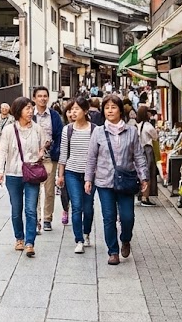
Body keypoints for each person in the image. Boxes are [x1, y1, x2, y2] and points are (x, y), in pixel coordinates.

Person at [85, 94, 149, 265]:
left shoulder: (132, 131)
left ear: (120, 110)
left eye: (113, 107)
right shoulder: (98, 132)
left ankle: (126, 238)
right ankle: (113, 251)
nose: (110, 110)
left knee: (128, 217)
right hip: (104, 181)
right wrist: (88, 179)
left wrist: (144, 176)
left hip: (126, 180)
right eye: (106, 108)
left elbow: (139, 156)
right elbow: (91, 158)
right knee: (109, 217)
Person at [0, 96, 47, 258]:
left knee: (31, 209)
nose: (31, 111)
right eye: (27, 108)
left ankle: (30, 242)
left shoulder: (37, 129)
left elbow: (43, 145)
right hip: (13, 174)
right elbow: (3, 151)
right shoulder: (9, 130)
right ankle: (19, 238)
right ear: (19, 111)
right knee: (17, 209)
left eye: (32, 108)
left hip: (31, 174)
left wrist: (41, 153)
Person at [57, 96, 97, 254]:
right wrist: (60, 175)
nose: (73, 112)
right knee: (76, 206)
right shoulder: (68, 129)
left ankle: (86, 233)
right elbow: (63, 154)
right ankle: (78, 239)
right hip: (72, 172)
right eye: (71, 109)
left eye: (76, 109)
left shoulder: (94, 129)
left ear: (85, 110)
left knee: (88, 208)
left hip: (90, 174)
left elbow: (97, 154)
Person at [32, 86, 65, 232]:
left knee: (49, 189)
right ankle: (36, 217)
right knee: (34, 189)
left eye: (45, 96)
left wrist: (55, 151)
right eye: (39, 96)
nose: (42, 98)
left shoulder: (54, 115)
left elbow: (59, 135)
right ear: (34, 98)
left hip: (49, 156)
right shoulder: (29, 114)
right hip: (32, 157)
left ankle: (47, 218)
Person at [136, 105, 159, 207]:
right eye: (148, 112)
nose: (150, 113)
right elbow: (155, 136)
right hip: (147, 150)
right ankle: (145, 197)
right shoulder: (148, 126)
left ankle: (142, 195)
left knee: (142, 174)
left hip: (140, 150)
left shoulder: (138, 124)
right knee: (148, 173)